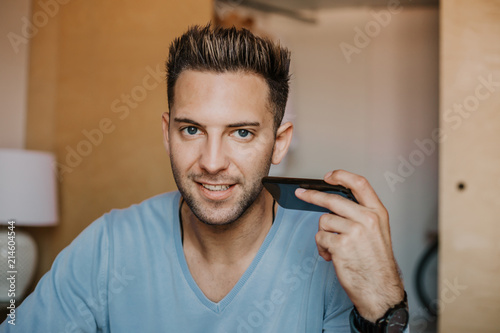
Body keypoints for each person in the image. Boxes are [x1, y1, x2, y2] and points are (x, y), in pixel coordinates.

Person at [1, 24, 408, 332]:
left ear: (279, 143)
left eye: (242, 133)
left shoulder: (328, 257)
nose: (212, 163)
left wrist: (384, 306)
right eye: (192, 130)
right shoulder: (108, 246)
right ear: (167, 133)